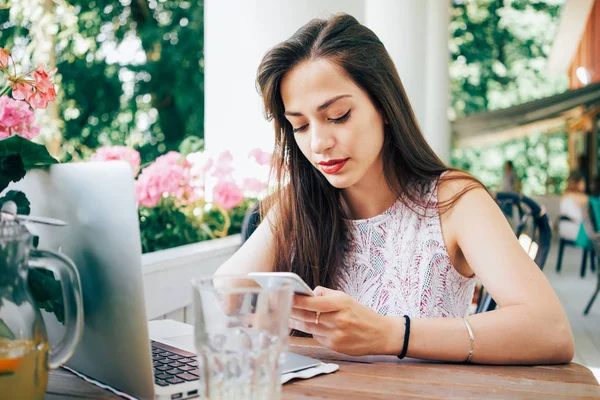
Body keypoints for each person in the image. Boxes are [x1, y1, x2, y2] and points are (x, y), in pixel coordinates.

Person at [216, 14, 573, 364]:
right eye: (301, 125)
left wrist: (390, 335)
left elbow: (551, 330)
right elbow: (225, 297)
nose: (319, 143)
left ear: (385, 105)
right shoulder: (301, 205)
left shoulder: (454, 201)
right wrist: (292, 203)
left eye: (338, 116)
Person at [558, 170, 590, 245]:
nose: (584, 184)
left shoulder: (565, 195)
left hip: (564, 229)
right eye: (583, 182)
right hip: (576, 230)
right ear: (577, 183)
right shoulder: (582, 197)